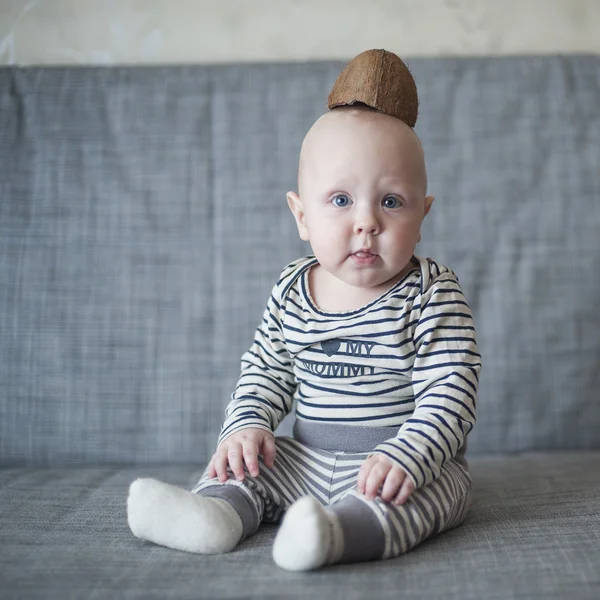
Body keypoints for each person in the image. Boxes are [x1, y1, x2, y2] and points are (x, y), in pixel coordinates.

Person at [127, 88, 481, 572]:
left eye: (392, 201)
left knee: (429, 496)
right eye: (340, 199)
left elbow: (451, 391)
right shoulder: (292, 290)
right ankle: (213, 515)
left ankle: (333, 535)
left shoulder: (430, 292)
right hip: (307, 460)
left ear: (422, 215)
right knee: (250, 466)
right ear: (301, 215)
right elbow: (266, 372)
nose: (366, 222)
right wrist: (246, 426)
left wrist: (410, 453)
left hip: (402, 462)